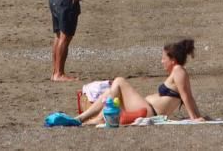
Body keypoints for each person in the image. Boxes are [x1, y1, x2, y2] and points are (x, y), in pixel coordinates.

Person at [76, 39, 204, 123]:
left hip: (149, 112)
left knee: (119, 81)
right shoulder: (178, 71)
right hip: (147, 108)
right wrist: (198, 117)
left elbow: (186, 96)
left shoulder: (178, 71)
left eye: (163, 58)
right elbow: (188, 96)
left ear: (173, 60)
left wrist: (194, 118)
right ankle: (87, 118)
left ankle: (91, 118)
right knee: (110, 91)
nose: (162, 61)